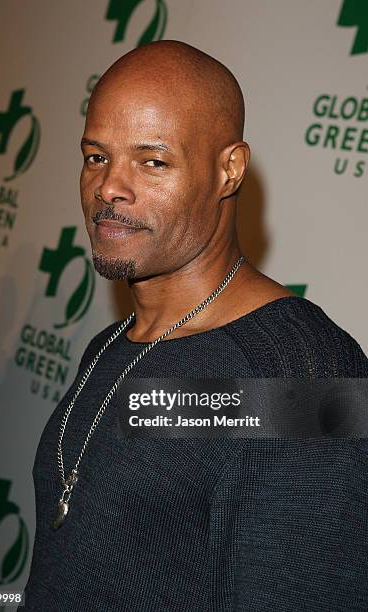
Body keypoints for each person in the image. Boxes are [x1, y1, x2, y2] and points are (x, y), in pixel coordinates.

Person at [22, 41, 368, 611]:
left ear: (228, 169)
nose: (109, 188)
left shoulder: (299, 374)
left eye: (152, 161)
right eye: (95, 157)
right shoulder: (113, 344)